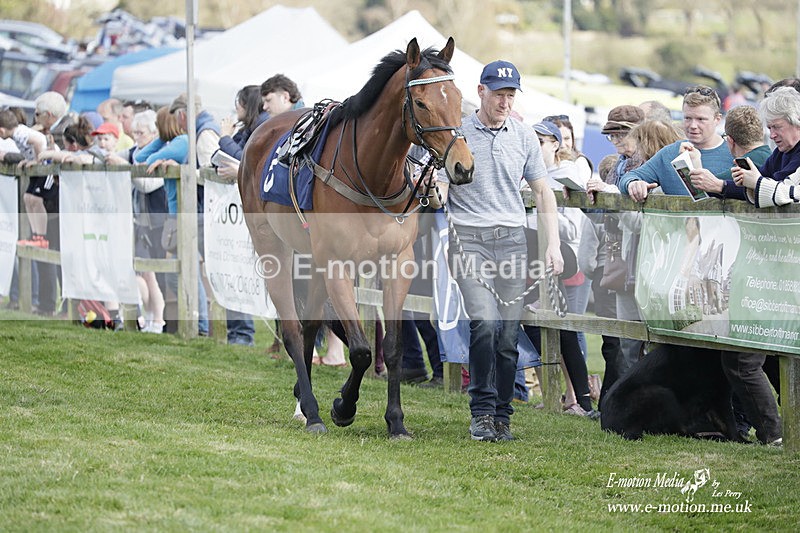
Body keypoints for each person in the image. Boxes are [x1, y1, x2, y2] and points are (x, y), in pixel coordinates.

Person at [435, 60, 564, 442]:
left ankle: (503, 414)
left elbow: (543, 192)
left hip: (510, 242)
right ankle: (481, 413)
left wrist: (552, 244)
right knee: (485, 324)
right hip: (468, 240)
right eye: (499, 94)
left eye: (511, 95)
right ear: (481, 92)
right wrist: (436, 193)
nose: (505, 102)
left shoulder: (524, 136)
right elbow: (442, 183)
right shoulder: (457, 132)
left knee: (508, 336)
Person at [527, 120, 594, 417]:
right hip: (533, 263)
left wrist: (538, 219)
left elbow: (572, 227)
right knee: (534, 328)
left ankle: (581, 398)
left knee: (566, 333)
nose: (534, 147)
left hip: (564, 262)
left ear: (555, 144)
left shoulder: (568, 176)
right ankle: (556, 394)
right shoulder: (525, 177)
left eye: (540, 141)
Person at [106, 109, 168, 334]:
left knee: (158, 274)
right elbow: (115, 156)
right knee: (145, 272)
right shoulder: (135, 150)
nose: (136, 137)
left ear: (153, 133)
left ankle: (159, 320)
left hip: (159, 220)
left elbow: (149, 184)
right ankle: (151, 317)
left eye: (140, 133)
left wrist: (125, 168)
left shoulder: (161, 152)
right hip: (140, 221)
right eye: (134, 133)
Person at [620, 85, 734, 201]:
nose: (693, 126)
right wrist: (633, 184)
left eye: (701, 119)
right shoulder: (669, 153)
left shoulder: (734, 153)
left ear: (717, 120)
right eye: (687, 118)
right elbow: (628, 177)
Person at [733, 87, 800, 207]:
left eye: (777, 127)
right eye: (770, 128)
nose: (772, 135)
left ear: (797, 122)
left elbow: (782, 188)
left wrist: (755, 182)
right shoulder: (780, 153)